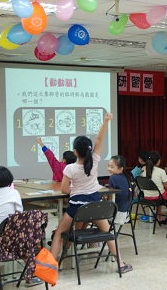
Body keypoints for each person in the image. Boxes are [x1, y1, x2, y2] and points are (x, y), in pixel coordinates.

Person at [50, 113, 133, 274]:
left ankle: (53, 267)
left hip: (77, 208)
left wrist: (74, 191)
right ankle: (121, 264)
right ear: (89, 150)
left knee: (59, 233)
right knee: (108, 233)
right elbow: (99, 140)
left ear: (74, 152)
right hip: (96, 206)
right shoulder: (94, 160)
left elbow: (64, 190)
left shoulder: (70, 168)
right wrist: (106, 121)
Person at [140, 151, 167, 225]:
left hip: (147, 196)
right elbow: (166, 186)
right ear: (158, 161)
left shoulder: (143, 172)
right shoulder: (161, 171)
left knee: (159, 192)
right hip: (159, 197)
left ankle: (159, 216)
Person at [107, 155, 131, 225]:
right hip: (126, 213)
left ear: (120, 169)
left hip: (115, 214)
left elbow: (110, 197)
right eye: (108, 166)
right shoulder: (126, 177)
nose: (109, 169)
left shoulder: (113, 178)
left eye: (112, 167)